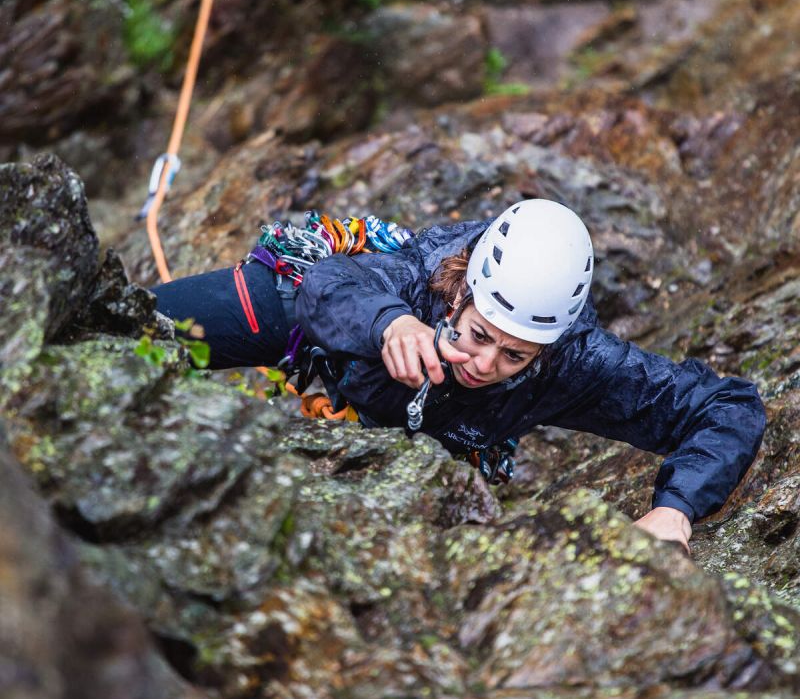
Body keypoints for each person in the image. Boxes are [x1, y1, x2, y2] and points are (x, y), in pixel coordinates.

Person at [152, 199, 766, 555]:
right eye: (478, 336)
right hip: (318, 325)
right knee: (140, 324)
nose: (485, 365)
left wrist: (676, 510)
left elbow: (728, 407)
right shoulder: (422, 271)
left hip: (427, 427)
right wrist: (392, 325)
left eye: (513, 357)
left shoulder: (575, 363)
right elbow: (332, 285)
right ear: (459, 296)